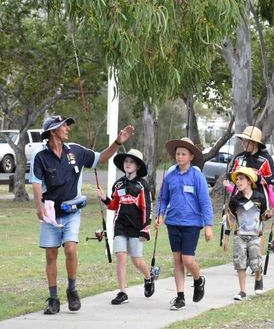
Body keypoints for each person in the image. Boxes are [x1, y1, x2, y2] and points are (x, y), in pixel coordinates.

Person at [32, 115, 135, 315]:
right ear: (53, 131)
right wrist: (39, 207)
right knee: (51, 254)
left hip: (72, 212)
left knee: (70, 248)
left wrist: (117, 142)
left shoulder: (76, 151)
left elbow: (101, 158)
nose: (68, 129)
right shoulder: (40, 156)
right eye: (64, 126)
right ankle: (53, 299)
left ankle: (72, 290)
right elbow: (36, 182)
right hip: (51, 212)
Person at [155, 137, 213, 311]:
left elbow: (205, 202)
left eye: (183, 154)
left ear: (191, 156)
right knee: (177, 259)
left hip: (192, 223)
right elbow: (163, 198)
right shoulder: (170, 176)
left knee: (187, 259)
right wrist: (160, 215)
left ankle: (198, 279)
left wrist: (208, 225)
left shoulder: (197, 176)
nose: (179, 157)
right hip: (173, 222)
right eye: (177, 154)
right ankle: (180, 296)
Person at [96, 149, 155, 305]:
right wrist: (104, 199)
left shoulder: (143, 186)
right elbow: (114, 205)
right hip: (120, 226)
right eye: (126, 161)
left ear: (137, 166)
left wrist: (145, 228)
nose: (128, 164)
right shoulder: (118, 184)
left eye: (131, 162)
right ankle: (122, 292)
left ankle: (148, 277)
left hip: (137, 228)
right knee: (121, 256)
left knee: (136, 260)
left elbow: (147, 208)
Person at [222, 166, 268, 300]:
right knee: (240, 262)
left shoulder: (259, 198)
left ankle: (258, 278)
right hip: (239, 235)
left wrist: (271, 214)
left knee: (255, 261)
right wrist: (226, 237)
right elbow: (230, 218)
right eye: (237, 180)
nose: (238, 182)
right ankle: (242, 291)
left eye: (241, 179)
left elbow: (264, 216)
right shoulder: (235, 200)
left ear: (249, 181)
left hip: (255, 235)